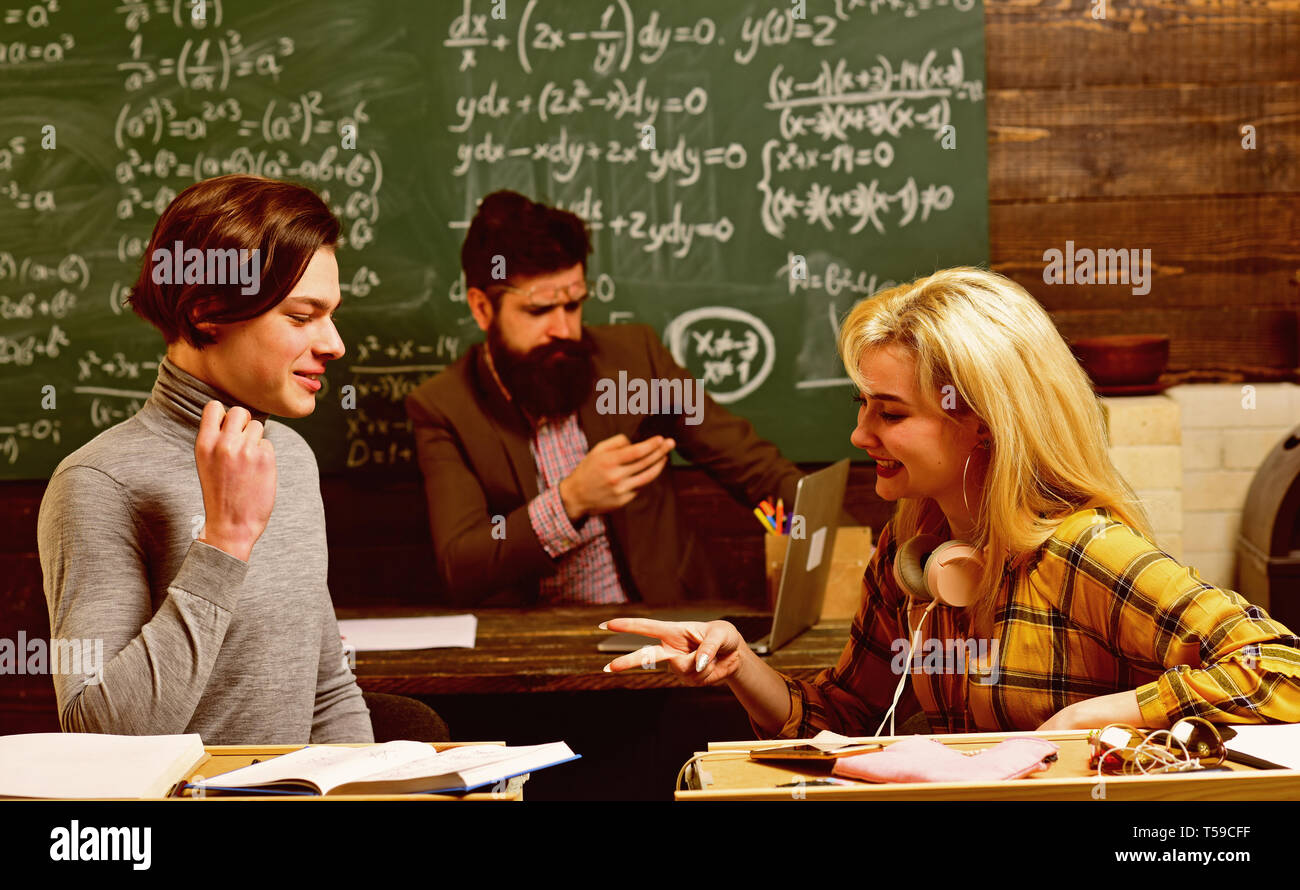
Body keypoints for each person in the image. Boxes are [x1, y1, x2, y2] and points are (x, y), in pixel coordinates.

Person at [603, 267, 1300, 736]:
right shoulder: (909, 551)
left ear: (983, 423)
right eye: (862, 406)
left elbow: (1282, 670)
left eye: (891, 414)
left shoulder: (1085, 551)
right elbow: (846, 717)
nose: (859, 434)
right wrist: (739, 664)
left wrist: (1096, 717)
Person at [37, 174, 373, 745]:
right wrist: (225, 542)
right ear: (206, 312)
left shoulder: (289, 457)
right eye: (300, 316)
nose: (334, 343)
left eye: (331, 314)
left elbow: (327, 691)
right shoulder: (96, 484)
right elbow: (101, 731)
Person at [406, 191, 802, 607]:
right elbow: (461, 566)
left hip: (665, 624)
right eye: (539, 311)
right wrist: (571, 499)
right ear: (482, 309)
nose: (564, 329)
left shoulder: (635, 360)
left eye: (574, 305)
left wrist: (830, 541)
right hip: (534, 646)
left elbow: (752, 472)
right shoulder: (443, 408)